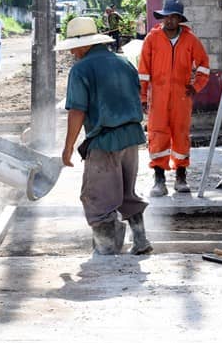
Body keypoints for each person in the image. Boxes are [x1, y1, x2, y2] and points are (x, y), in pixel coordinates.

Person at [56, 17, 152, 256]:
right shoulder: (124, 62)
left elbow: (78, 111)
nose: (72, 53)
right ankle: (140, 240)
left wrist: (68, 148)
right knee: (125, 191)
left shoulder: (81, 69)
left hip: (104, 141)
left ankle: (107, 247)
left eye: (73, 48)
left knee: (96, 196)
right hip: (131, 137)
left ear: (82, 45)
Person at [138, 0, 210, 197]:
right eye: (166, 16)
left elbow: (204, 66)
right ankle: (159, 180)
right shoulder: (152, 39)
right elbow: (143, 71)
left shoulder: (190, 40)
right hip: (158, 97)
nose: (169, 20)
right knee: (157, 135)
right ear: (162, 18)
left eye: (173, 17)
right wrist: (143, 97)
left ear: (180, 19)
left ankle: (181, 177)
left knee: (180, 135)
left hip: (181, 97)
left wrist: (196, 87)